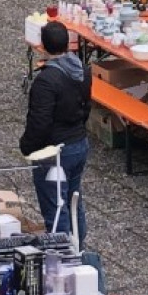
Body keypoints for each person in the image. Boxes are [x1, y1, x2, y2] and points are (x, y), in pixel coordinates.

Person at [19, 22, 91, 243]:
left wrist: (27, 147)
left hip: (54, 152)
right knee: (72, 200)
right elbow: (86, 106)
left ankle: (62, 257)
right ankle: (78, 246)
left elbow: (39, 122)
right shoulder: (82, 70)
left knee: (56, 209)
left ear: (42, 46)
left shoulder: (46, 81)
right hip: (79, 143)